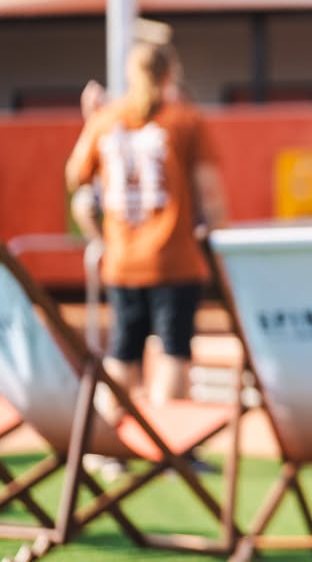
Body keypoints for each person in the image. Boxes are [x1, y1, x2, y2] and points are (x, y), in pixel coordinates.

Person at [65, 41, 227, 417]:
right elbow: (210, 191)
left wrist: (92, 120)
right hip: (175, 256)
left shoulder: (106, 120)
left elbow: (75, 175)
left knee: (123, 351)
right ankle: (169, 450)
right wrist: (220, 241)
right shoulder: (184, 119)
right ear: (170, 73)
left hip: (122, 257)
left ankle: (108, 443)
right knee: (173, 350)